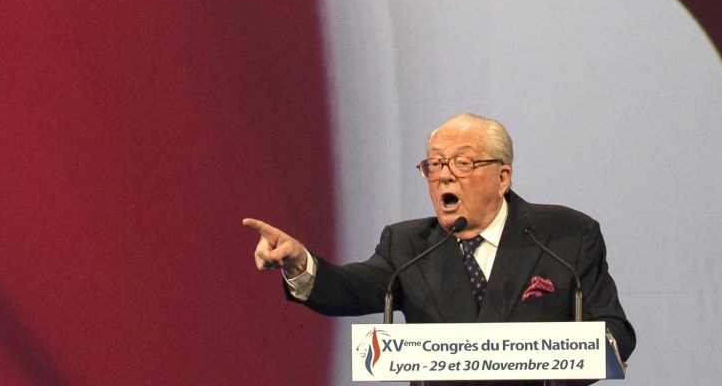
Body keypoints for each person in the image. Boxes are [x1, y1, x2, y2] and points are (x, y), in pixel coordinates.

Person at [242, 113, 635, 366]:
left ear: (502, 178)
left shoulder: (566, 237)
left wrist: (561, 359)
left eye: (462, 163)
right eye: (434, 164)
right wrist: (299, 264)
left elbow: (614, 331)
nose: (444, 176)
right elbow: (352, 288)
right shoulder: (409, 245)